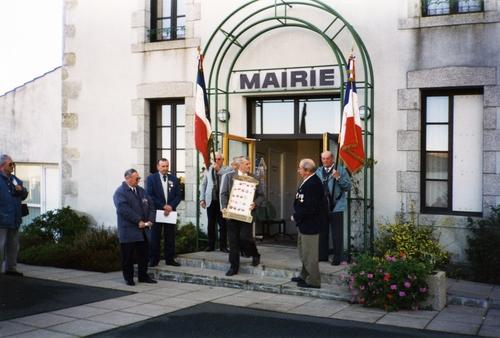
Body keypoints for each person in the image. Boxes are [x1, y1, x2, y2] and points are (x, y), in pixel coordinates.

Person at [113, 168, 157, 286]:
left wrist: (150, 220)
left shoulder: (142, 191)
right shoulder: (120, 192)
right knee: (128, 257)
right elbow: (123, 210)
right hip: (129, 231)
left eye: (139, 178)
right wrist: (138, 221)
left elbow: (151, 206)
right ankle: (129, 278)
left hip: (143, 231)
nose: (139, 180)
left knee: (143, 255)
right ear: (128, 178)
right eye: (136, 178)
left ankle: (143, 275)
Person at [220, 156, 263, 276]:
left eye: (249, 164)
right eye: (247, 164)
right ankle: (234, 266)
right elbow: (223, 194)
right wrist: (224, 207)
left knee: (245, 238)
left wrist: (256, 203)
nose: (249, 166)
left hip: (246, 213)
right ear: (240, 165)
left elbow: (261, 195)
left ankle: (255, 254)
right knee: (233, 241)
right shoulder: (229, 177)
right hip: (232, 213)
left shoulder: (254, 178)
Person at [292, 159, 326, 289]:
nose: (298, 170)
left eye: (300, 168)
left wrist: (296, 216)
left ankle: (313, 280)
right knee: (304, 251)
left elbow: (310, 207)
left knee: (309, 253)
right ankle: (304, 275)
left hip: (310, 224)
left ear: (307, 170)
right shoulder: (308, 180)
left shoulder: (313, 184)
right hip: (304, 223)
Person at [316, 150, 352, 265]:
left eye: (327, 158)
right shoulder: (318, 171)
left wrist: (338, 177)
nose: (325, 161)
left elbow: (348, 186)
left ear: (332, 159)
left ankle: (338, 258)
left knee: (337, 234)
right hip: (322, 206)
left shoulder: (340, 170)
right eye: (323, 159)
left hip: (336, 206)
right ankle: (322, 256)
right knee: (322, 233)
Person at [146, 158, 181, 267]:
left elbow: (178, 196)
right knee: (155, 236)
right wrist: (163, 206)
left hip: (170, 212)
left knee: (170, 236)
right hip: (157, 212)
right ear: (158, 167)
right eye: (163, 166)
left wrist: (171, 206)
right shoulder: (151, 179)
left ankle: (170, 259)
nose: (165, 168)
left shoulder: (174, 179)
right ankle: (154, 259)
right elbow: (149, 195)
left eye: (167, 166)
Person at [0, 155, 28, 276]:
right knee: (0, 246)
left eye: (13, 164)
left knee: (13, 245)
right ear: (2, 166)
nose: (13, 166)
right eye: (10, 164)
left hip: (15, 218)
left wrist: (21, 190)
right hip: (2, 219)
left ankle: (11, 268)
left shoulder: (14, 179)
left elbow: (24, 194)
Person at [200, 152, 230, 252]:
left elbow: (226, 177)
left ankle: (223, 246)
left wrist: (219, 170)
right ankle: (210, 245)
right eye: (215, 159)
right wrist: (202, 199)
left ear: (222, 160)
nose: (216, 161)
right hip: (210, 200)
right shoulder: (208, 170)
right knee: (211, 224)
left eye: (218, 159)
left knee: (223, 225)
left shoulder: (228, 170)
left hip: (222, 202)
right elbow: (203, 185)